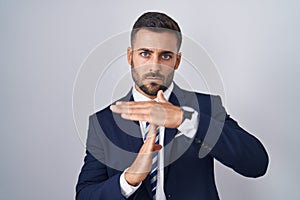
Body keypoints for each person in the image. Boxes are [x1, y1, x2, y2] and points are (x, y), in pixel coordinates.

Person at [76, 12, 269, 200]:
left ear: (177, 61)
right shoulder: (103, 122)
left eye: (166, 56)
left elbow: (256, 164)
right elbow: (85, 195)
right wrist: (129, 179)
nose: (154, 66)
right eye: (145, 53)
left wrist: (184, 119)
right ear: (130, 56)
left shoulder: (205, 107)